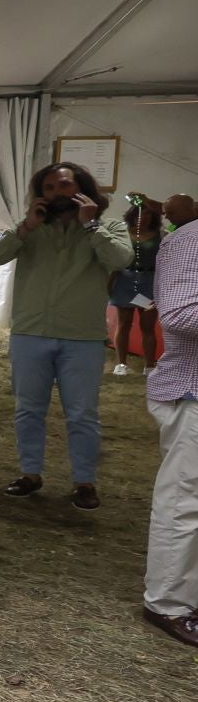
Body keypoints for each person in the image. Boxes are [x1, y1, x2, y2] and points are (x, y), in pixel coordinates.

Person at [0, 162, 133, 509]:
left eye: (64, 186)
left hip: (82, 337)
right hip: (30, 333)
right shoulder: (31, 229)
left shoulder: (107, 226)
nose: (56, 194)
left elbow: (121, 259)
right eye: (48, 188)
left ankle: (84, 482)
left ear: (82, 189)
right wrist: (25, 227)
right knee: (28, 410)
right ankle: (30, 474)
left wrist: (91, 225)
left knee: (82, 413)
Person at [143, 193, 198, 647]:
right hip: (190, 392)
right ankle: (168, 604)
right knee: (185, 500)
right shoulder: (189, 241)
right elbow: (177, 314)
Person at [112, 195, 163, 376]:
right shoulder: (122, 231)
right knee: (124, 323)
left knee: (147, 325)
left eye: (149, 214)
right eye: (141, 213)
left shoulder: (161, 234)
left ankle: (149, 365)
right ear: (133, 214)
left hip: (148, 281)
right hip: (125, 279)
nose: (144, 216)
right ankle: (121, 364)